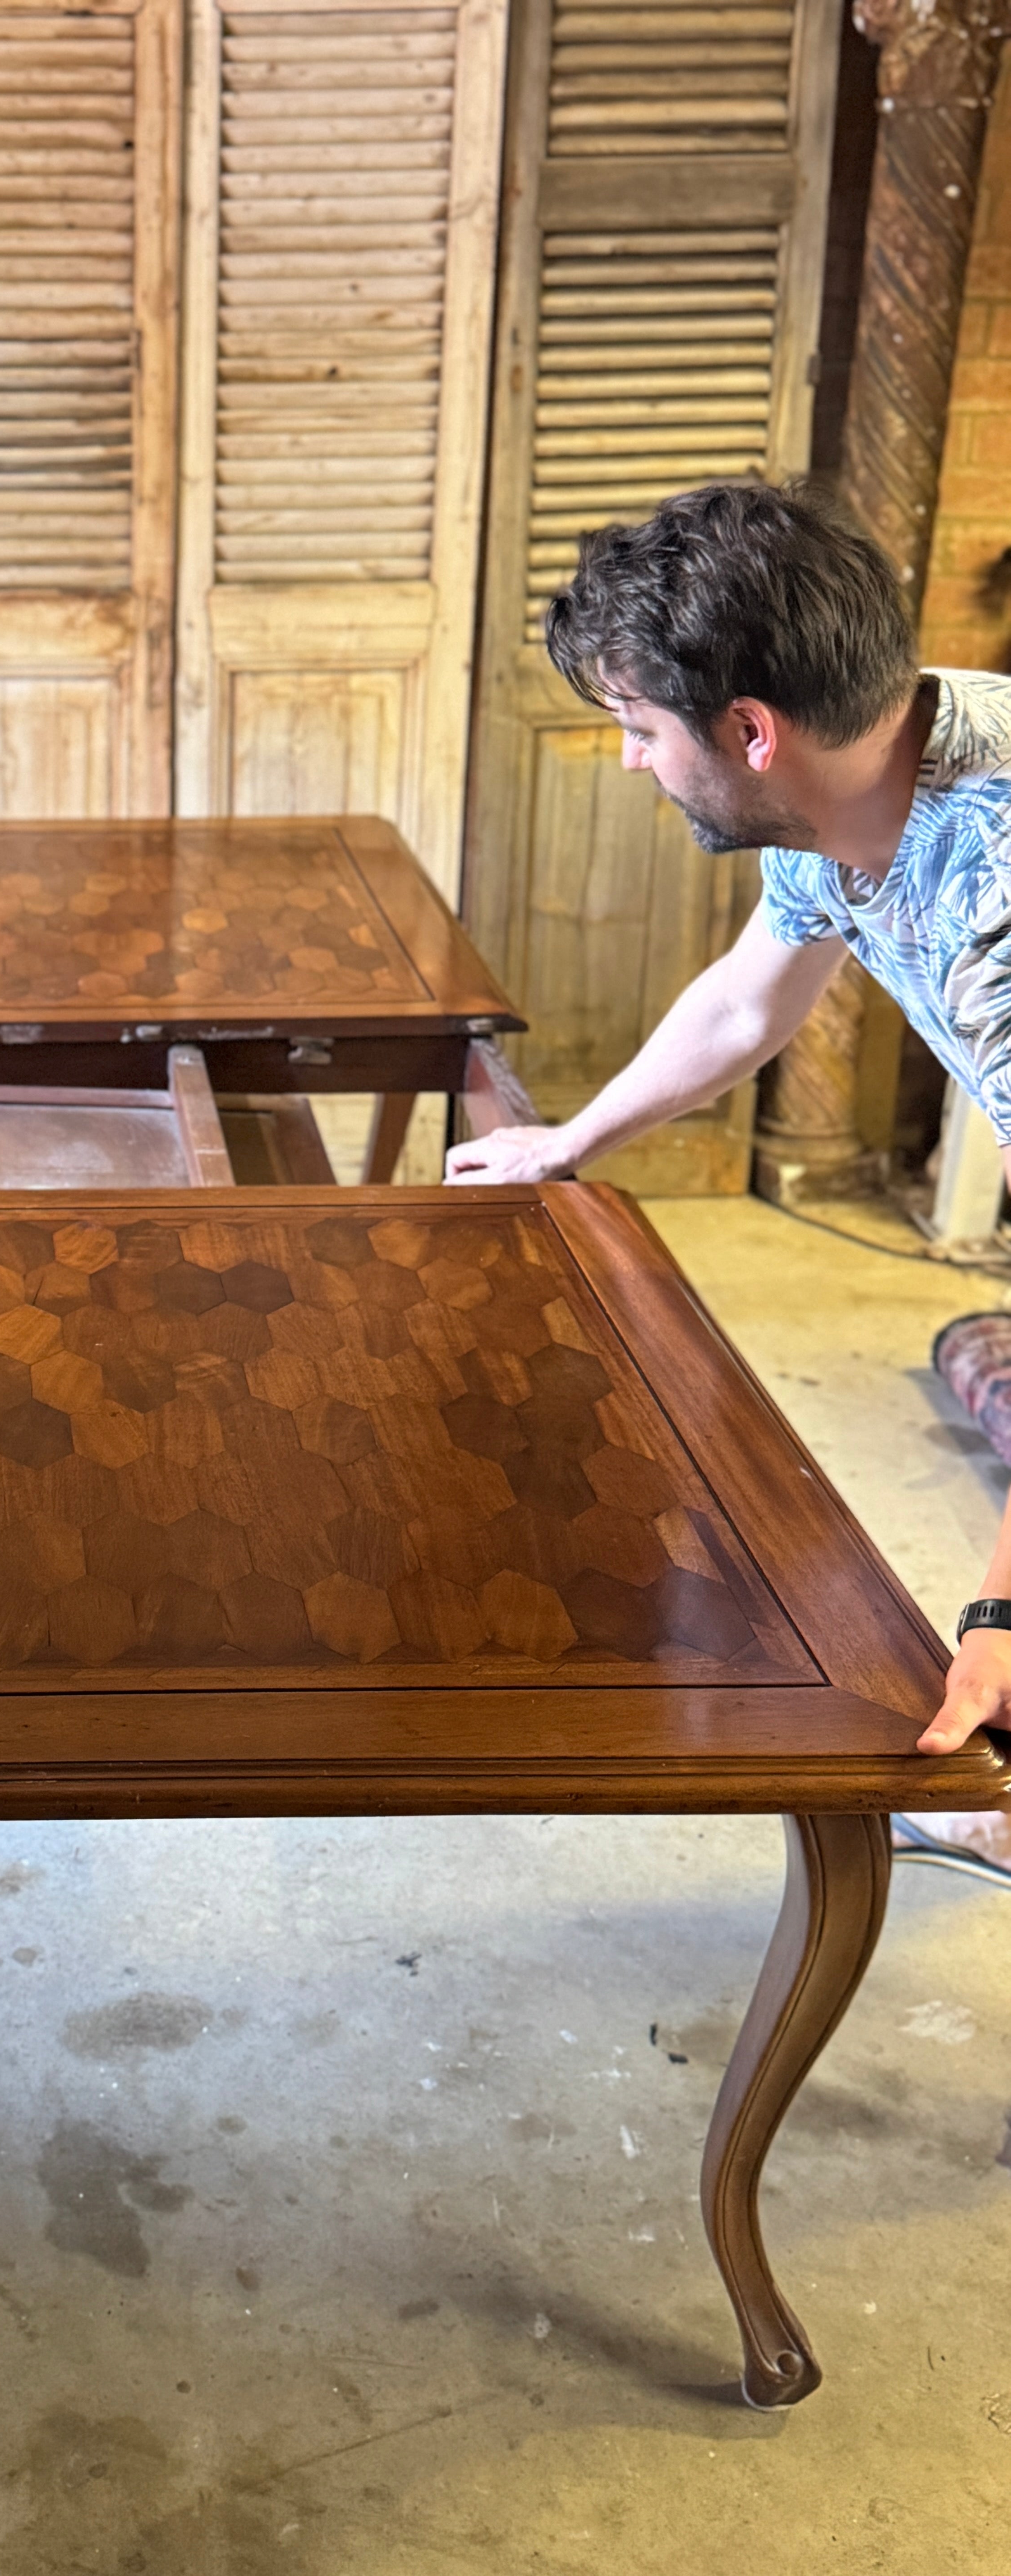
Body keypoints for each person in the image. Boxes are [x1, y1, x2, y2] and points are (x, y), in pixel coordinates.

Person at [445, 476, 1011, 1884]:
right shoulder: (883, 741)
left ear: (749, 733)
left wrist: (1002, 1617)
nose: (632, 763)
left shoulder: (990, 913)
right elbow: (751, 1000)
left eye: (639, 730)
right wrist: (569, 1140)